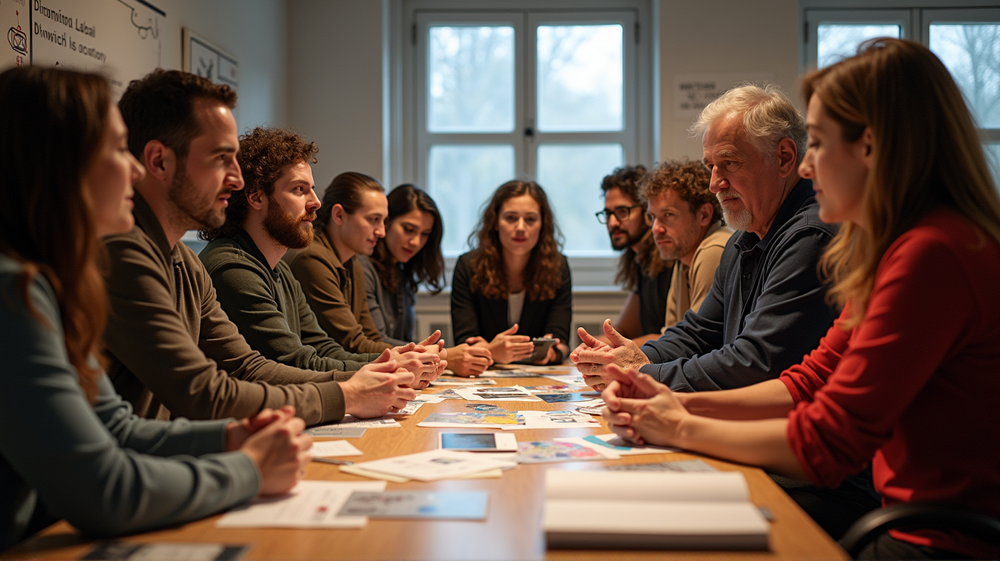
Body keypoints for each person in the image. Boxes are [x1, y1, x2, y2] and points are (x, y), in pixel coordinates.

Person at [602, 38, 1000, 560]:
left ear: (871, 148)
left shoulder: (933, 254)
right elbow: (807, 381)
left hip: (937, 541)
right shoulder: (894, 248)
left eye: (818, 144)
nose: (808, 168)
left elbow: (828, 441)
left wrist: (677, 422)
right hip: (907, 520)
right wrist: (674, 402)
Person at [0, 66, 311, 550]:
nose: (133, 169)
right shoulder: (13, 289)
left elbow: (117, 429)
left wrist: (230, 438)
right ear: (57, 166)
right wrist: (248, 468)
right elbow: (103, 489)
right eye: (114, 149)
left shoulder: (53, 282)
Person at [104, 70, 415, 426]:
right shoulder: (126, 255)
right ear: (159, 161)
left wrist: (362, 385)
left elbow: (247, 367)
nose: (236, 179)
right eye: (220, 158)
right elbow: (203, 392)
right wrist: (349, 393)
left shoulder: (186, 262)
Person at [572, 84, 838, 393]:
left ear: (784, 158)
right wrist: (629, 357)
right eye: (710, 166)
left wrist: (644, 374)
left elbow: (757, 362)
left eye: (729, 163)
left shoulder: (810, 236)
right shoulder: (744, 239)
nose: (714, 184)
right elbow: (698, 333)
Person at [198, 128, 442, 387]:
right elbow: (297, 362)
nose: (316, 202)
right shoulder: (233, 269)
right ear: (256, 197)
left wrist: (394, 359)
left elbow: (323, 347)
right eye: (299, 189)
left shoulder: (280, 270)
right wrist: (392, 369)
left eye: (312, 190)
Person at [361, 184, 493, 376]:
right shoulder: (363, 266)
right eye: (408, 229)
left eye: (424, 234)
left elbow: (403, 340)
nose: (415, 242)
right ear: (386, 223)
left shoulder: (403, 272)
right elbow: (373, 342)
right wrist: (444, 356)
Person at [285, 172, 408, 356]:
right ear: (339, 215)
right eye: (373, 220)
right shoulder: (311, 259)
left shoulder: (353, 261)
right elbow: (353, 343)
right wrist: (429, 354)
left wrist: (423, 354)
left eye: (384, 221)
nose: (381, 232)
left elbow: (371, 337)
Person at [451, 180, 571, 367]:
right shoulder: (468, 266)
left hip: (537, 372)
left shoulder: (558, 267)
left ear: (542, 224)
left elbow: (561, 341)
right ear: (495, 222)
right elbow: (466, 340)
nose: (521, 227)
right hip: (483, 371)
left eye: (530, 219)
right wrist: (492, 352)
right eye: (511, 218)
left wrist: (551, 353)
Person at [643, 159, 733, 328]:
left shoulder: (712, 252)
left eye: (668, 215)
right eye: (652, 217)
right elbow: (670, 335)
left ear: (704, 215)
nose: (655, 229)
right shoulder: (685, 257)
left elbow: (698, 337)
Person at [596, 165, 673, 345]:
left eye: (622, 212)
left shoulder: (670, 257)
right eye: (608, 214)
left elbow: (671, 338)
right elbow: (623, 331)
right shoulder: (640, 261)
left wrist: (607, 350)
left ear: (647, 212)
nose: (612, 222)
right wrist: (587, 347)